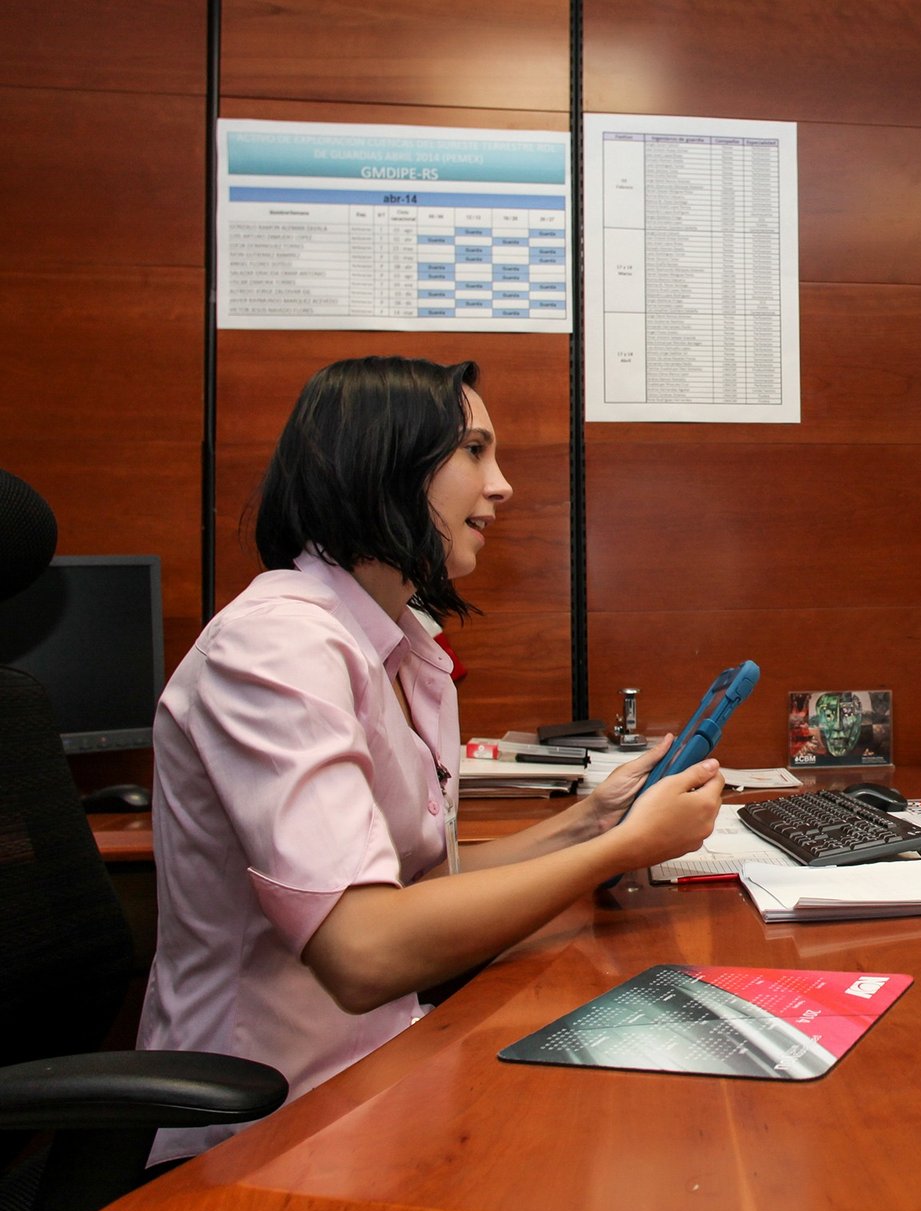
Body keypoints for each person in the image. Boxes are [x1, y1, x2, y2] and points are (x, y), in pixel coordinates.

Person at [137, 357, 725, 1159]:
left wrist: (590, 823)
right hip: (264, 1125)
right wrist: (625, 849)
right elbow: (366, 948)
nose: (503, 485)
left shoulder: (400, 645)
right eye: (475, 451)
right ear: (386, 464)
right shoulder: (276, 647)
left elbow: (419, 886)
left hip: (374, 1070)